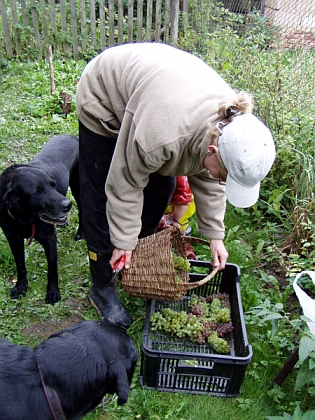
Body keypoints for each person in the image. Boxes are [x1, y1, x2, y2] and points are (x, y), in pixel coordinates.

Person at [76, 42, 276, 328]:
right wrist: (122, 237)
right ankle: (101, 286)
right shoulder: (161, 137)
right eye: (225, 175)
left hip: (154, 100)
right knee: (99, 198)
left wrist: (215, 235)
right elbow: (125, 181)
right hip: (105, 98)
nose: (223, 182)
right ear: (213, 150)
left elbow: (211, 179)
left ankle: (133, 256)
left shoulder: (229, 128)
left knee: (162, 189)